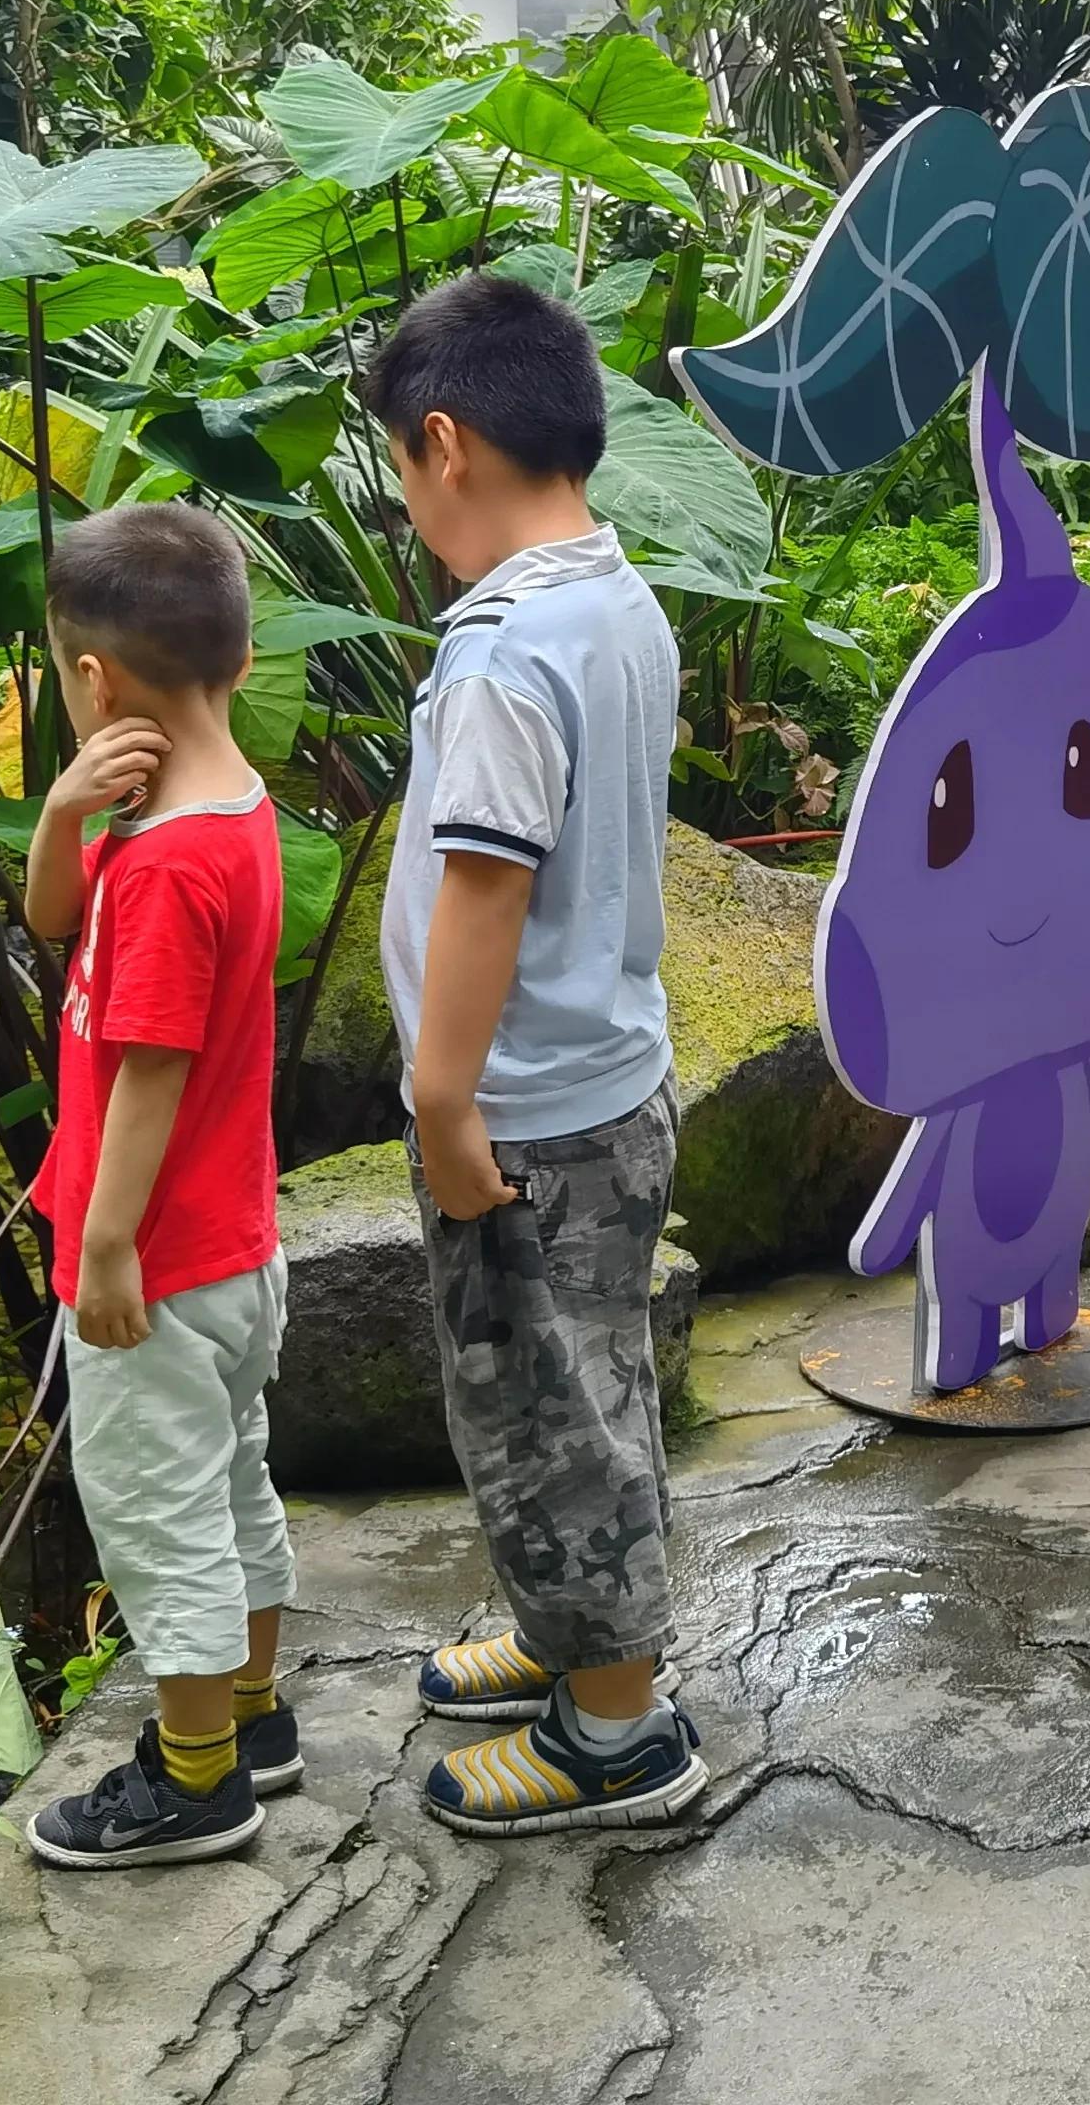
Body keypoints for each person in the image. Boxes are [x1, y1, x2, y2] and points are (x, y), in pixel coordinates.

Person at [365, 272, 704, 1836]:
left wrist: (442, 1099)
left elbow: (489, 887)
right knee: (566, 1388)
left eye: (398, 477)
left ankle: (620, 1731)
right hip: (607, 1078)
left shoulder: (503, 652)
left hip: (524, 1118)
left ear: (446, 445)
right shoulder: (613, 597)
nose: (406, 508)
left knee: (553, 1418)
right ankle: (563, 1629)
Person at [16, 502, 297, 1870]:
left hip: (160, 1264)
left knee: (158, 1513)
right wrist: (65, 810)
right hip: (235, 1247)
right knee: (232, 1482)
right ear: (240, 661)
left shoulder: (176, 864)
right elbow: (54, 919)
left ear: (91, 678)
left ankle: (197, 1783)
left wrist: (106, 1245)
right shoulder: (223, 812)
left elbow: (149, 1072)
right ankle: (252, 1715)